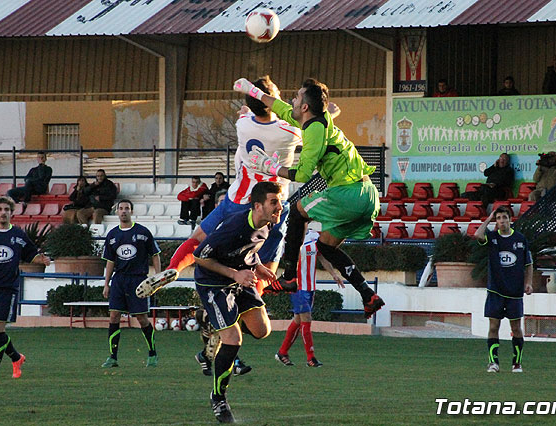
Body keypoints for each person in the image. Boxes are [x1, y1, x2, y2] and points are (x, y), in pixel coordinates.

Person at [135, 76, 301, 300]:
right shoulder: (289, 132)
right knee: (269, 260)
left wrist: (249, 108)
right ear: (271, 99)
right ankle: (255, 300)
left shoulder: (243, 124)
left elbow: (249, 114)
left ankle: (173, 269)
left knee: (199, 237)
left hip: (237, 199)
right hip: (271, 205)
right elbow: (311, 126)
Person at [233, 76, 385, 318]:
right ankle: (368, 294)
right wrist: (254, 91)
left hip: (347, 193)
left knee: (297, 211)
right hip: (367, 194)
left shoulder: (314, 131)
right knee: (326, 245)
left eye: (297, 97)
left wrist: (270, 168)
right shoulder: (315, 119)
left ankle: (290, 276)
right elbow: (280, 106)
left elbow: (303, 174)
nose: (291, 100)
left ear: (304, 107)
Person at [193, 181, 281, 423]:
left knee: (262, 331)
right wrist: (235, 274)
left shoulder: (267, 225)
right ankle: (218, 398)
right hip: (213, 283)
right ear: (257, 206)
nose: (279, 207)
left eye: (279, 201)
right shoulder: (233, 226)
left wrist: (259, 266)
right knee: (233, 340)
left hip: (240, 278)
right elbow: (200, 257)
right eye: (273, 202)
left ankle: (216, 327)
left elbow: (248, 250)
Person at [0, 196, 51, 380]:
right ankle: (16, 357)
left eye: (7, 210)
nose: (3, 213)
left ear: (12, 213)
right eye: (0, 209)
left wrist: (42, 259)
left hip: (8, 287)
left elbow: (32, 255)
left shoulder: (18, 235)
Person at [194, 189, 251, 377]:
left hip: (231, 283)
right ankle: (224, 359)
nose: (220, 206)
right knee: (210, 320)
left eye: (223, 203)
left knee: (230, 323)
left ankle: (209, 357)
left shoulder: (239, 228)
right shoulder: (210, 230)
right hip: (208, 282)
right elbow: (196, 250)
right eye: (217, 203)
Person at [101, 199, 161, 368]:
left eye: (127, 208)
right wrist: (106, 283)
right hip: (119, 280)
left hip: (138, 279)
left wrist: (157, 278)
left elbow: (155, 254)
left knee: (141, 318)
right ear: (117, 212)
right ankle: (112, 357)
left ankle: (152, 353)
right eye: (121, 208)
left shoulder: (143, 232)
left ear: (131, 211)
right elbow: (110, 261)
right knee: (114, 316)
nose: (124, 211)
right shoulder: (112, 235)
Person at [473, 206, 533, 373]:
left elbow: (528, 263)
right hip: (495, 291)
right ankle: (494, 363)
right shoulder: (491, 237)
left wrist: (528, 283)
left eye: (504, 217)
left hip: (514, 292)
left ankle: (517, 363)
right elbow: (477, 235)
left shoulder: (520, 239)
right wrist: (488, 218)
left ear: (510, 219)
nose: (501, 221)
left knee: (516, 328)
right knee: (493, 327)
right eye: (498, 218)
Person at [275, 229, 344, 368]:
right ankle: (310, 358)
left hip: (310, 286)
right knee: (306, 320)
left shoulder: (314, 236)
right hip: (297, 287)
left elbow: (322, 258)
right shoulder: (289, 238)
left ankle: (282, 352)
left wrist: (333, 274)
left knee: (298, 320)